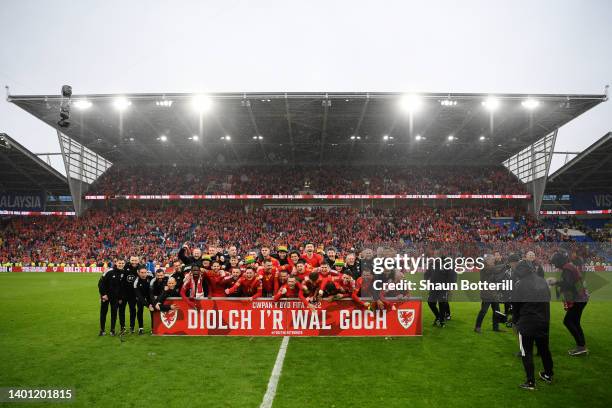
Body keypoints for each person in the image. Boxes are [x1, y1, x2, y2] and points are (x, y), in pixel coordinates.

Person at [512, 260, 554, 390]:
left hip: (527, 322)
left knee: (526, 352)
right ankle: (548, 374)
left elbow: (516, 306)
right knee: (544, 349)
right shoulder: (542, 281)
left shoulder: (520, 284)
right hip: (543, 321)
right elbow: (549, 298)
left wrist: (515, 322)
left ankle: (530, 382)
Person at [550, 251, 589, 356]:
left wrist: (556, 282)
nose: (555, 265)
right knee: (575, 322)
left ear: (559, 261)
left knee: (568, 321)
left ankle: (581, 346)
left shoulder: (567, 268)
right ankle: (582, 346)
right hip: (582, 298)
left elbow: (568, 284)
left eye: (555, 263)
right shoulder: (569, 267)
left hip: (578, 299)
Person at [474, 254, 503, 333]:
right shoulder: (484, 268)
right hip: (486, 294)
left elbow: (497, 273)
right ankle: (477, 327)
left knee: (497, 311)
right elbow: (494, 270)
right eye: (492, 259)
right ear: (487, 260)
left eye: (493, 260)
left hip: (493, 293)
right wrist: (505, 265)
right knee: (483, 311)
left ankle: (496, 327)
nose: (493, 261)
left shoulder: (491, 267)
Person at [98, 259, 125, 336]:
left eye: (122, 263)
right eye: (119, 263)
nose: (121, 264)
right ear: (116, 263)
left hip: (115, 297)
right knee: (103, 313)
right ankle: (102, 330)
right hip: (106, 296)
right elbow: (100, 283)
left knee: (114, 313)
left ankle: (112, 330)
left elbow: (121, 287)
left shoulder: (123, 273)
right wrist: (103, 294)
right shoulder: (109, 271)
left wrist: (120, 298)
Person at [120, 255, 140, 334]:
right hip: (123, 294)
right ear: (130, 260)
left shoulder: (140, 268)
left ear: (138, 261)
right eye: (132, 260)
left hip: (133, 294)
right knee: (122, 310)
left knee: (132, 310)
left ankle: (132, 327)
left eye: (135, 260)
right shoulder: (125, 266)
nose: (134, 262)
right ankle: (123, 327)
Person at [134, 266, 154, 335]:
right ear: (138, 273)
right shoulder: (136, 281)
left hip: (149, 295)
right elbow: (139, 296)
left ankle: (153, 328)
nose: (143, 274)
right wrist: (148, 305)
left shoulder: (151, 276)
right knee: (139, 311)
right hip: (140, 296)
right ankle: (141, 328)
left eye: (145, 272)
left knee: (153, 311)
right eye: (142, 273)